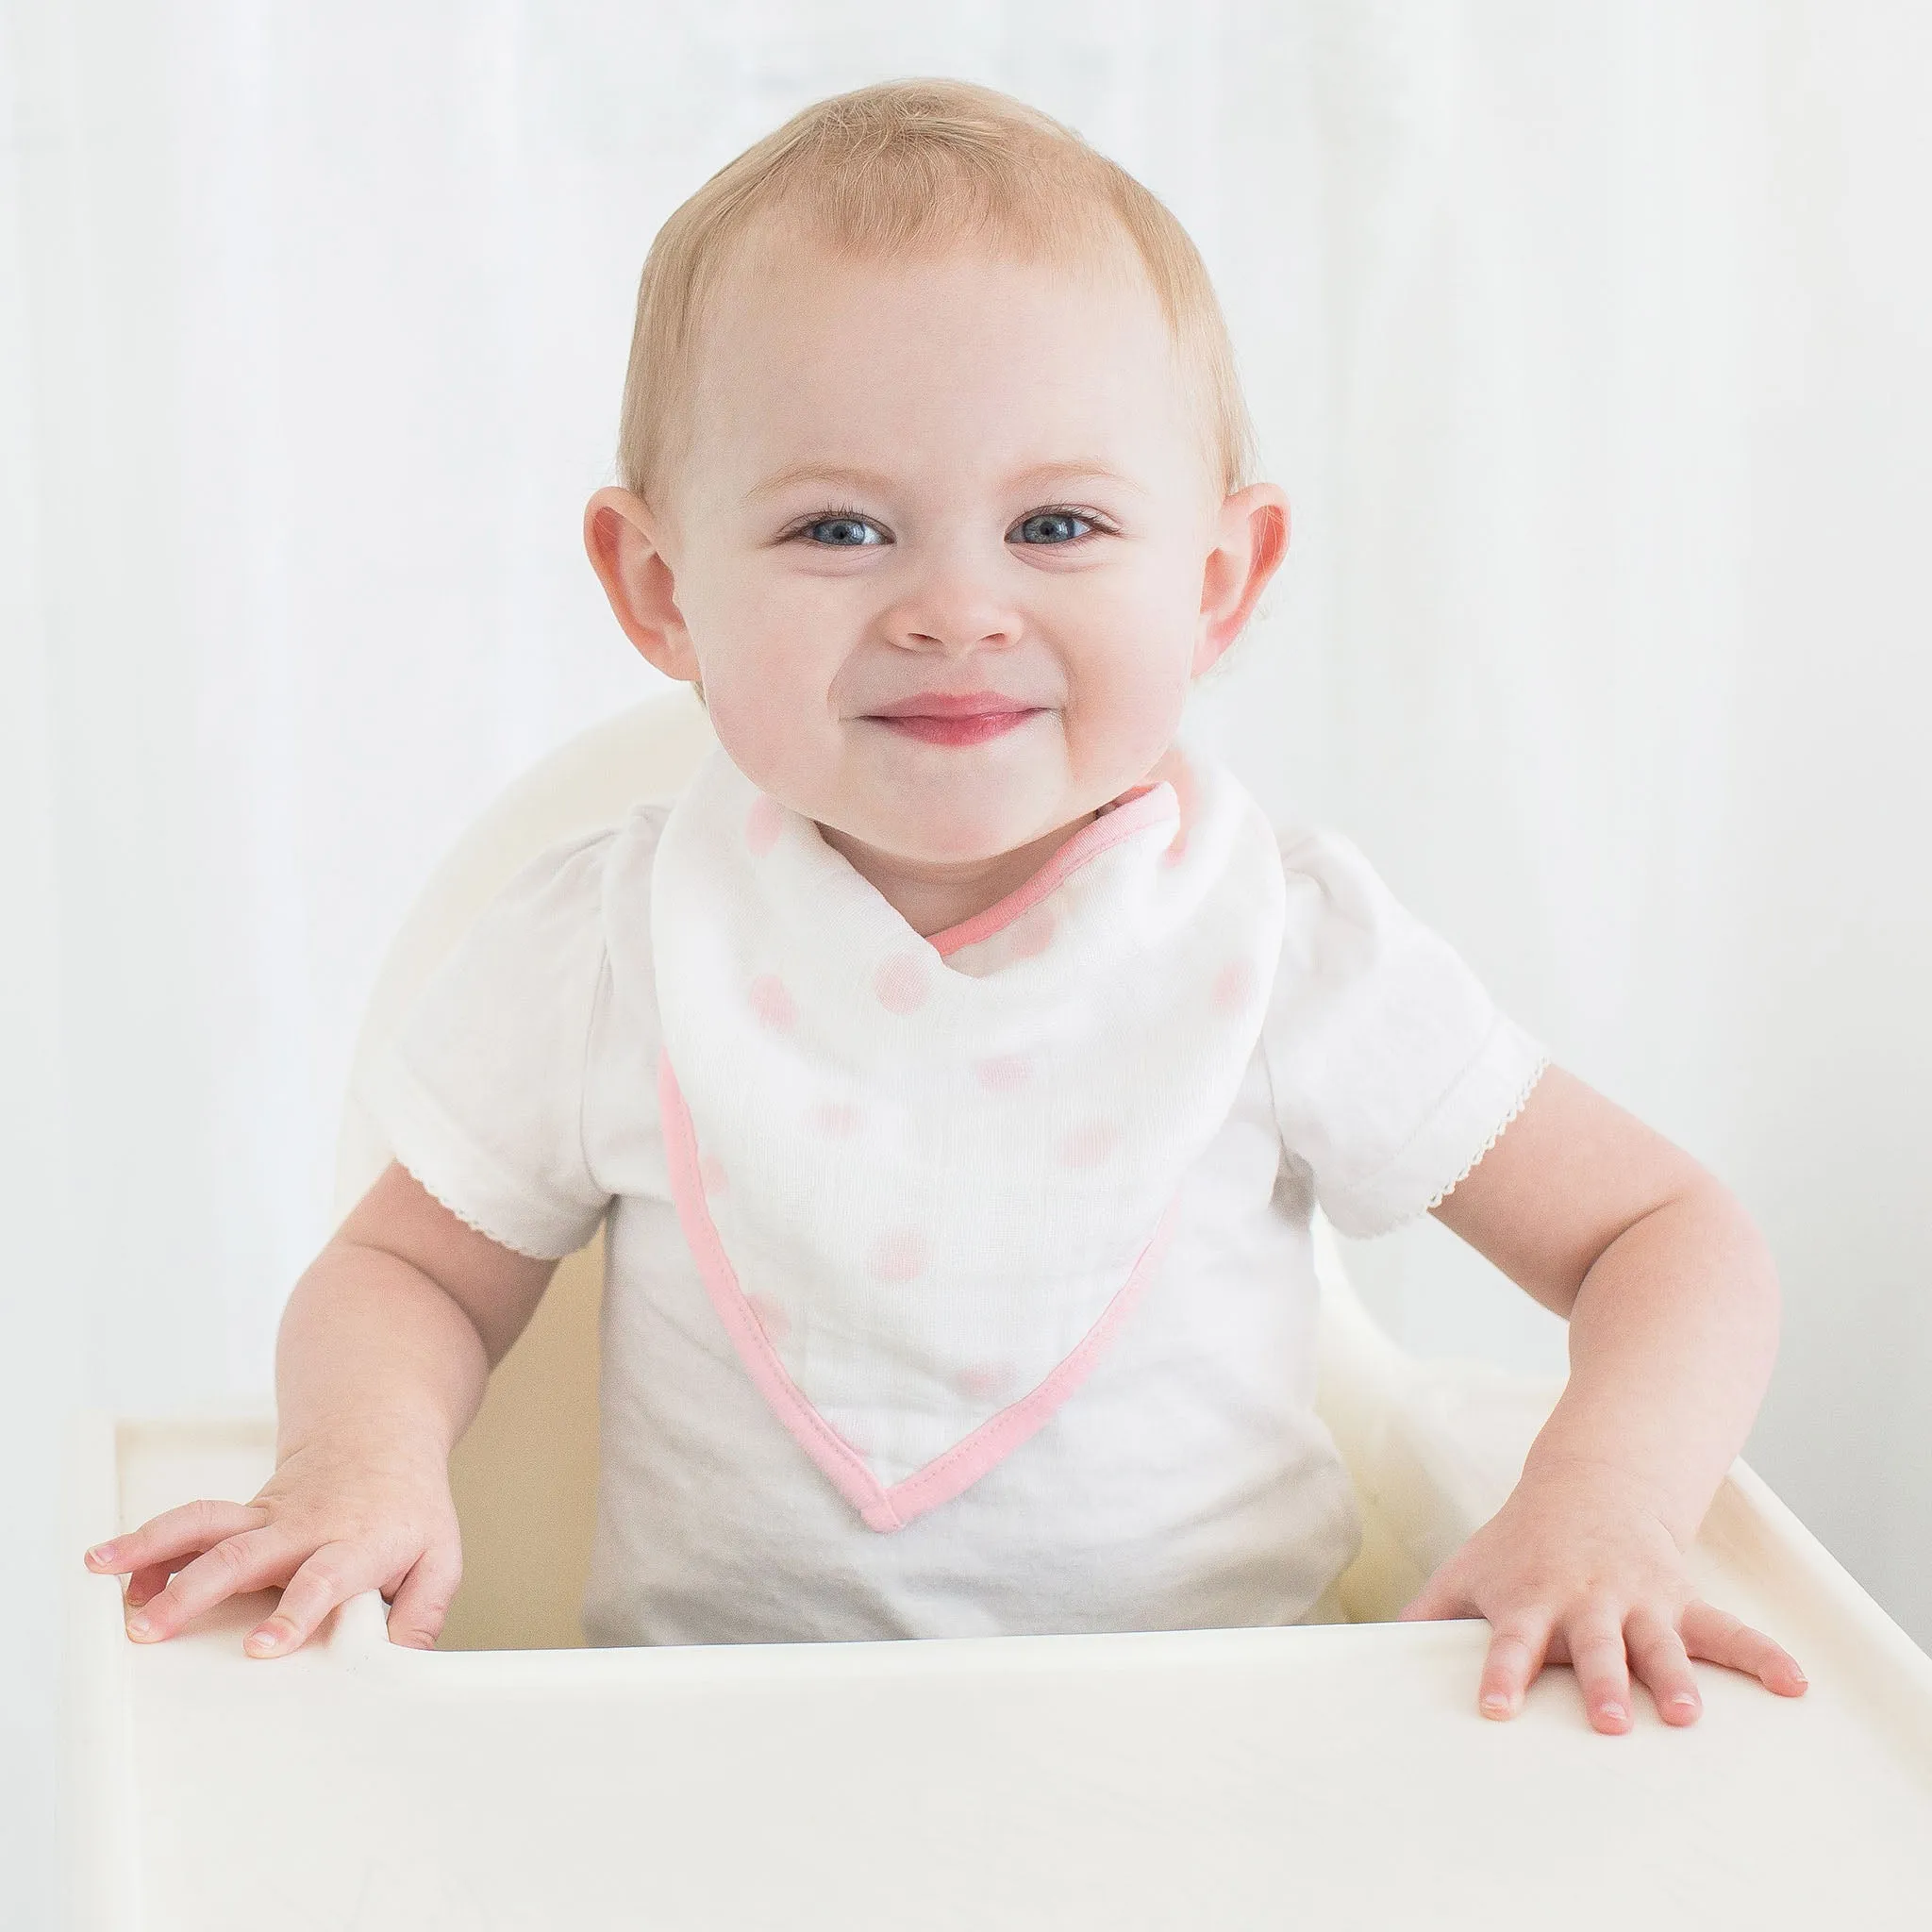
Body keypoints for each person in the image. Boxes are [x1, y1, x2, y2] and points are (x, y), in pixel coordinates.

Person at [83, 77, 1807, 1736]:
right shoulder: (622, 947)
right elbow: (406, 1271)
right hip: (713, 1776)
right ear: (661, 588)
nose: (954, 608)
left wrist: (1607, 1503)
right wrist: (354, 1468)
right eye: (841, 528)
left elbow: (1667, 1240)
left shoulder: (1279, 942)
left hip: (1222, 1766)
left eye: (1056, 523)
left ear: (1216, 583)